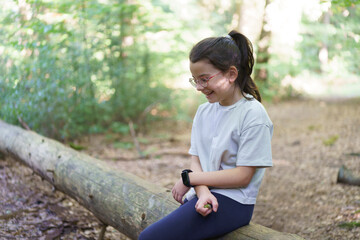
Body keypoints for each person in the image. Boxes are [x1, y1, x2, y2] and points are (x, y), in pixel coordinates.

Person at [138, 30, 273, 240]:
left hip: (234, 202)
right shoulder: (204, 111)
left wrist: (190, 179)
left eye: (204, 79)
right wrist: (201, 190)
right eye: (195, 80)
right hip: (205, 193)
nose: (199, 88)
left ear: (231, 74)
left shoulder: (253, 115)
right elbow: (196, 158)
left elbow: (242, 176)